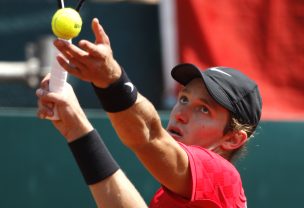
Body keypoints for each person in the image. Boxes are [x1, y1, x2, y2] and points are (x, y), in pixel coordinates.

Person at [37, 17, 262, 208]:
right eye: (183, 99)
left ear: (233, 138)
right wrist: (75, 126)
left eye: (203, 109)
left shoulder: (223, 177)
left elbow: (149, 136)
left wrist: (112, 80)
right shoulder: (172, 194)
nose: (180, 113)